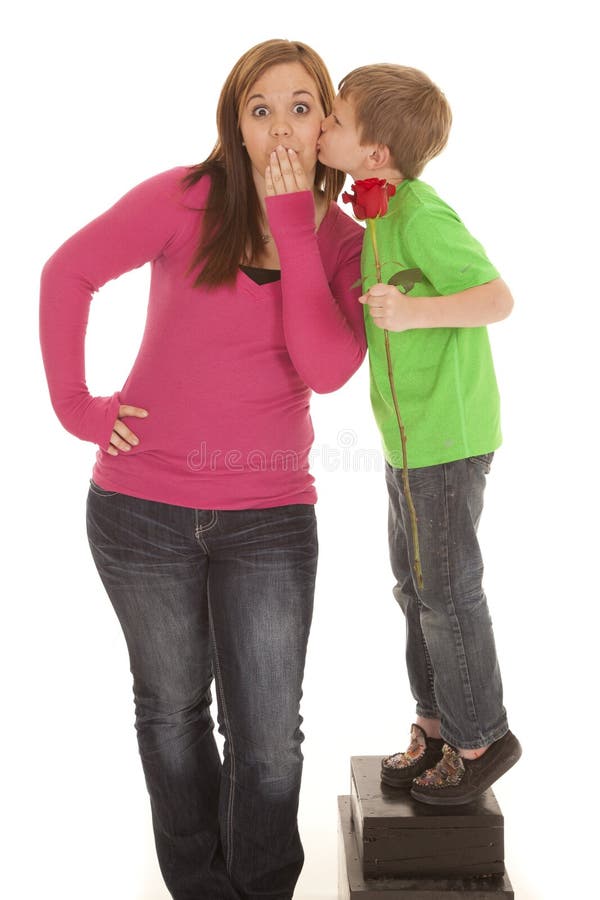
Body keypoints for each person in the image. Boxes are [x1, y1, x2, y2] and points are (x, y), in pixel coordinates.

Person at [39, 39, 366, 899]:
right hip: (140, 511)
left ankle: (260, 888)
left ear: (326, 122)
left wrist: (295, 224)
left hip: (269, 517)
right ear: (236, 125)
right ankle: (198, 887)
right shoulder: (184, 200)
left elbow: (329, 367)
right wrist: (79, 408)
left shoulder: (339, 241)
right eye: (261, 109)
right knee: (172, 714)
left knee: (265, 742)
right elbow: (66, 272)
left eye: (301, 107)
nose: (282, 126)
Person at [318, 64, 521, 806]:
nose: (324, 130)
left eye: (334, 120)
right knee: (416, 589)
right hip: (409, 445)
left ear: (375, 155)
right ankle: (435, 726)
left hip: (447, 440)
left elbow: (497, 298)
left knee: (447, 592)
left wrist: (414, 313)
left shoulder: (422, 215)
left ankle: (481, 739)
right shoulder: (379, 217)